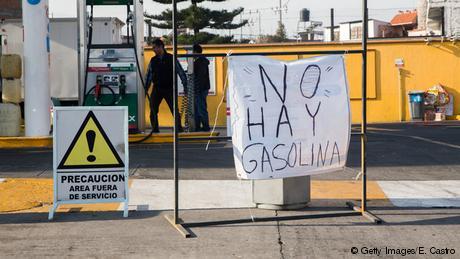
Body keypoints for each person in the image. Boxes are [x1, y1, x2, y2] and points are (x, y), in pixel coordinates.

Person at [145, 39, 187, 133]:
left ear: (160, 47)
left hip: (169, 88)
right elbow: (149, 75)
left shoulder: (171, 58)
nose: (153, 50)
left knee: (174, 110)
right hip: (157, 88)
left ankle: (179, 129)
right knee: (153, 110)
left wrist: (185, 85)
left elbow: (180, 72)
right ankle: (155, 130)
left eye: (154, 47)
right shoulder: (153, 60)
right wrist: (145, 89)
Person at [192, 43, 210, 132]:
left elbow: (200, 77)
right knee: (197, 108)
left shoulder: (200, 62)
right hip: (201, 88)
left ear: (195, 51)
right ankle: (197, 126)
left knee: (201, 108)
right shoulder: (201, 61)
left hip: (200, 89)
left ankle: (206, 127)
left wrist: (197, 89)